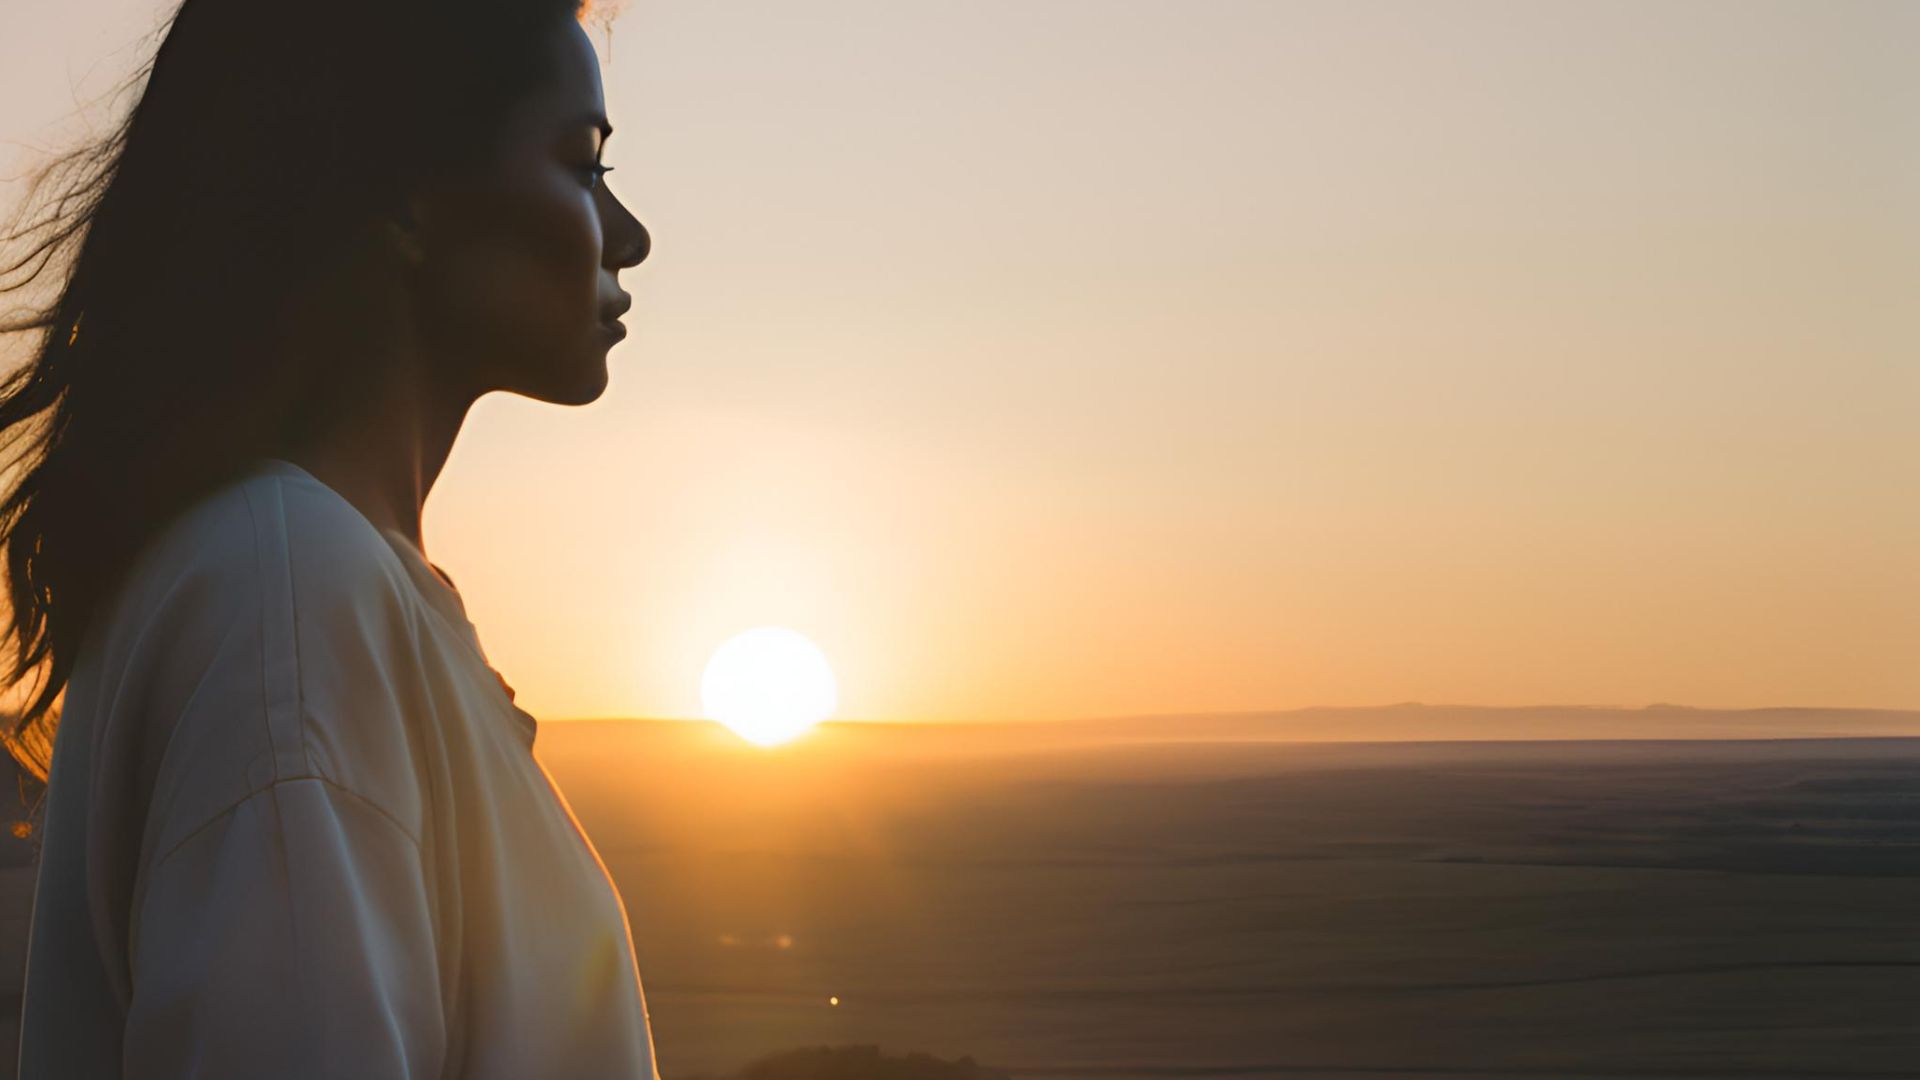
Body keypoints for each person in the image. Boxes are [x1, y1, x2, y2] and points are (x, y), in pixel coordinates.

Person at [0, 0, 657, 1075]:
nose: (627, 235)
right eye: (585, 164)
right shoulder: (291, 591)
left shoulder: (308, 578)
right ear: (405, 192)